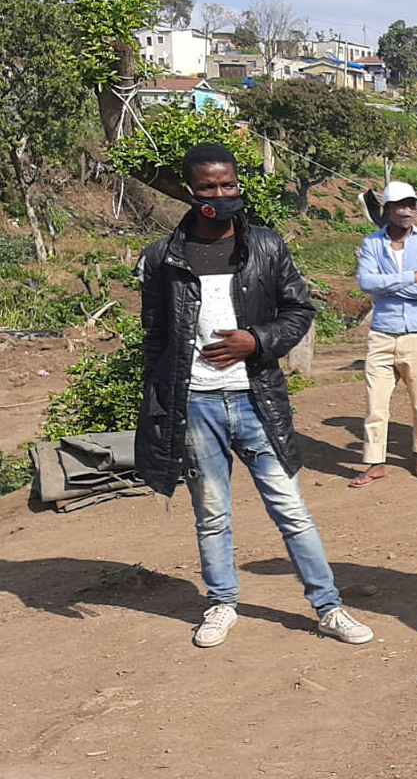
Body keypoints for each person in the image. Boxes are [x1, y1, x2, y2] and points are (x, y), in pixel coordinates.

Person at [135, 143, 374, 648]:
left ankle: (328, 607)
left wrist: (258, 340)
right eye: (207, 188)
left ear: (237, 184)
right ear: (190, 190)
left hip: (255, 398)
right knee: (212, 513)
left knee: (290, 508)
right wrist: (159, 407)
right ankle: (221, 603)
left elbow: (299, 312)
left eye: (227, 185)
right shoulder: (162, 257)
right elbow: (156, 337)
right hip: (196, 403)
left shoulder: (266, 246)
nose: (219, 196)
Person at [350, 180, 417, 487]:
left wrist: (387, 284)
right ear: (387, 209)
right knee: (375, 402)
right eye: (400, 206)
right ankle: (375, 462)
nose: (407, 211)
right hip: (382, 335)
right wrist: (408, 278)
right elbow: (365, 282)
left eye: (411, 205)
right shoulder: (372, 243)